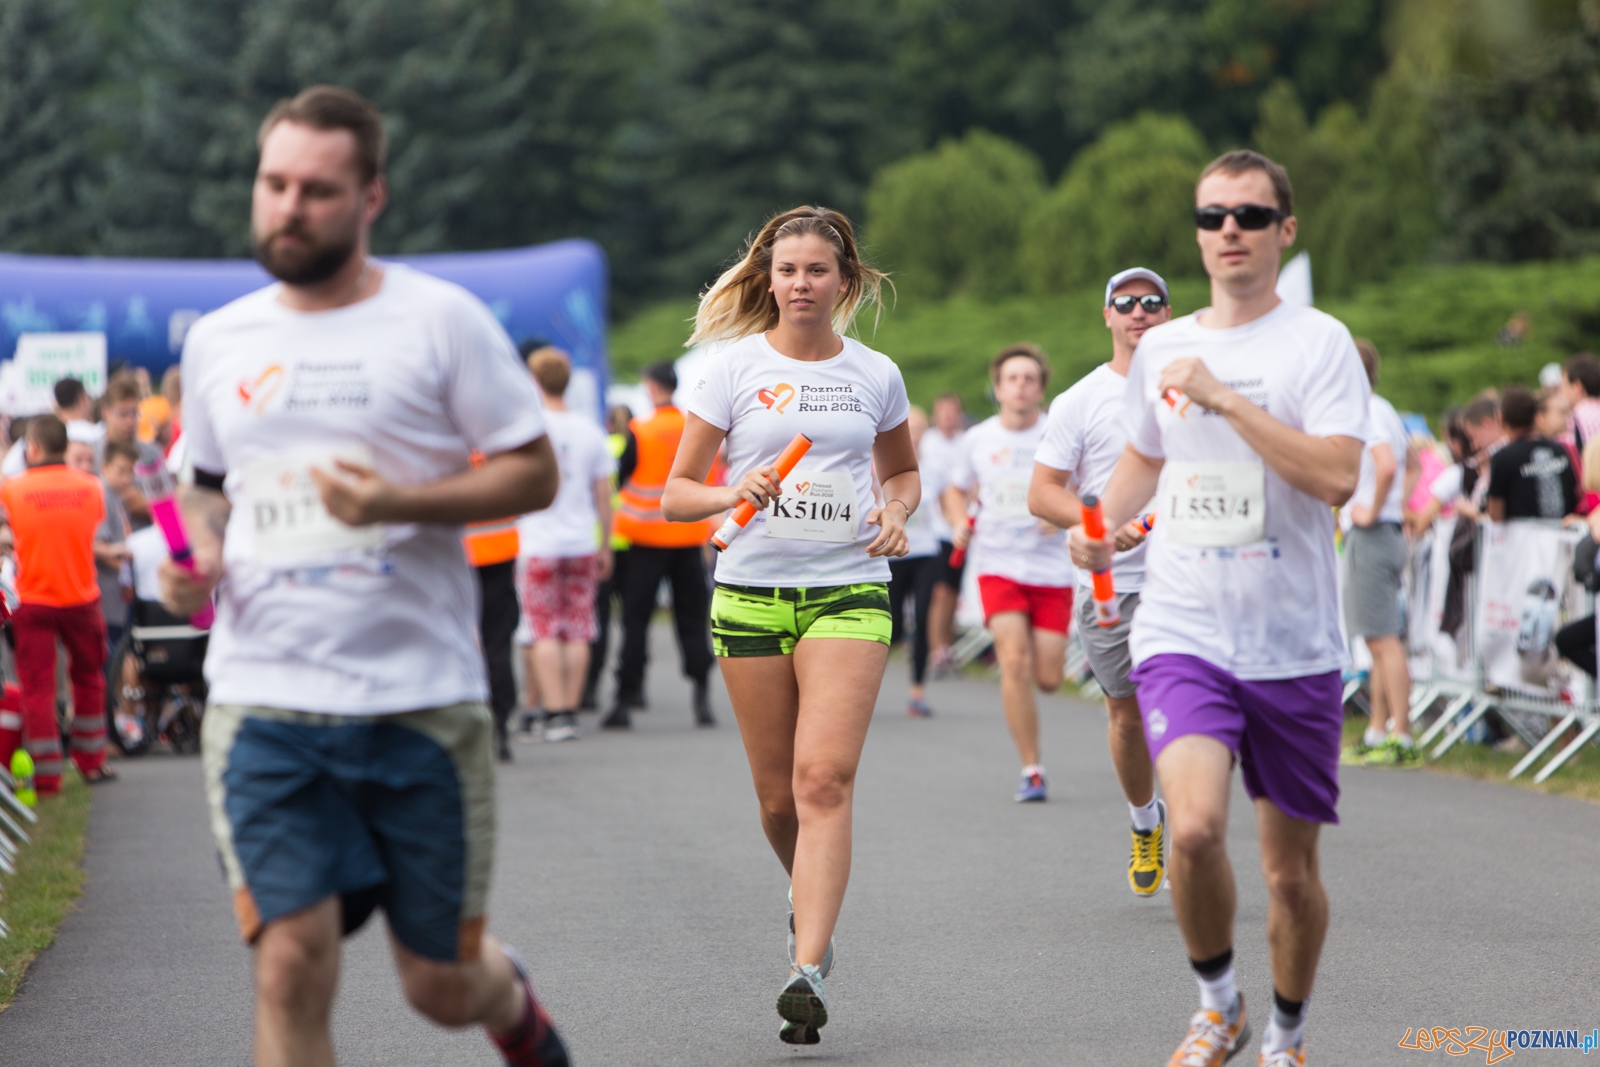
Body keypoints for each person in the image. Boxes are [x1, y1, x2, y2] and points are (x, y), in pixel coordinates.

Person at [156, 86, 567, 1067]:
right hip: (266, 703)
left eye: (317, 189)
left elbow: (532, 468)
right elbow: (195, 486)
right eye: (274, 183)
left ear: (370, 197)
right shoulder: (220, 338)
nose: (288, 206)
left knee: (439, 983)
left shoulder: (441, 321)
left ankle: (515, 1009)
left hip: (420, 702)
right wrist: (191, 556)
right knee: (290, 961)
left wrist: (394, 501)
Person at [1072, 150, 1369, 1067]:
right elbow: (1143, 458)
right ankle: (1216, 1004)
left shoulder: (1317, 342)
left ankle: (1287, 1032)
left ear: (1285, 229)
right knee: (1194, 828)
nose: (1228, 230)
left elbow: (1336, 476)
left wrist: (1225, 399)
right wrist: (1102, 525)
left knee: (1290, 874)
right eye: (1211, 217)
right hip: (1184, 623)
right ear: (1198, 233)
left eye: (1248, 214)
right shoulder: (1160, 347)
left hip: (1292, 639)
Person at [660, 205, 916, 1046]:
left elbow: (903, 471)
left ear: (844, 279)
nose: (801, 284)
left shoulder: (875, 373)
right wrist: (735, 490)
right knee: (778, 800)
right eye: (788, 270)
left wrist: (896, 509)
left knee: (823, 780)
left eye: (817, 270)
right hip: (752, 592)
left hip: (848, 588)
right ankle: (810, 902)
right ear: (767, 279)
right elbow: (676, 495)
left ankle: (806, 968)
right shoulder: (729, 369)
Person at [1030, 265, 1172, 893]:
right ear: (1108, 315)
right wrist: (1092, 527)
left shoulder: (1193, 387)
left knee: (1199, 709)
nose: (1138, 310)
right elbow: (1043, 493)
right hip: (1112, 584)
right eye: (1126, 302)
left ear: (1169, 314)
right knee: (1127, 713)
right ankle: (1147, 822)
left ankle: (1195, 827)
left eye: (1151, 301)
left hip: (1189, 580)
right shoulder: (1081, 400)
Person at [943, 344, 1073, 803]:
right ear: (997, 388)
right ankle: (1031, 768)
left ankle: (1033, 756)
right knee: (1012, 662)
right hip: (998, 564)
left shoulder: (1057, 435)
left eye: (1030, 379)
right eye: (1012, 378)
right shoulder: (978, 439)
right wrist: (959, 522)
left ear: (1041, 388)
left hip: (1052, 569)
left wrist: (1060, 515)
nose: (1021, 386)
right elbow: (955, 492)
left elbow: (1080, 490)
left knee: (1050, 677)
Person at [0, 415, 114, 795]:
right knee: (89, 679)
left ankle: (47, 776)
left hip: (33, 599)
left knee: (37, 688)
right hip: (82, 597)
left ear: (32, 447)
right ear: (64, 446)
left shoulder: (12, 490)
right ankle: (91, 761)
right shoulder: (91, 487)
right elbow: (92, 530)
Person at [605, 361, 717, 729]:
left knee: (636, 620)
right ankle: (702, 697)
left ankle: (625, 699)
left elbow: (620, 480)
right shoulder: (692, 426)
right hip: (687, 538)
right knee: (692, 620)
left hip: (644, 541)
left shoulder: (640, 429)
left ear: (651, 387)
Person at [515, 347, 615, 743]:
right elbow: (603, 497)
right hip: (579, 541)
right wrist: (604, 545)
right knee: (577, 628)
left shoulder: (530, 427)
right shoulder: (590, 430)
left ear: (534, 380)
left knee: (542, 629)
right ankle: (570, 711)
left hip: (538, 540)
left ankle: (552, 711)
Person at [1340, 340, 1419, 769]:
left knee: (1383, 640)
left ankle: (1401, 734)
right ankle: (1378, 728)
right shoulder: (1384, 408)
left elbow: (1387, 464)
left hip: (1371, 534)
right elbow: (1415, 463)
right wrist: (1396, 506)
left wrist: (1373, 508)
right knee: (1377, 637)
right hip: (1386, 531)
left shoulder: (1364, 411)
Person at [887, 406, 941, 717]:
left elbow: (950, 503)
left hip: (925, 552)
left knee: (922, 620)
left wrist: (960, 524)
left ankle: (917, 692)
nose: (913, 435)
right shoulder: (877, 464)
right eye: (907, 428)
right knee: (892, 628)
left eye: (918, 429)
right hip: (892, 552)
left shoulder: (934, 468)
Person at [580, 404, 633, 710]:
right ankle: (628, 686)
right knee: (631, 620)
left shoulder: (601, 445)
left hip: (601, 538)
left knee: (597, 619)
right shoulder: (630, 445)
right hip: (633, 539)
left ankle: (590, 688)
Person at [919, 393, 966, 674]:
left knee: (951, 591)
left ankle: (945, 644)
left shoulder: (966, 443)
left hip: (958, 531)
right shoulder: (927, 444)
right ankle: (935, 648)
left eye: (953, 412)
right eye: (943, 412)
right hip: (932, 529)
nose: (948, 417)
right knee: (937, 592)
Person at [1487, 384, 1578, 522]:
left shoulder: (1503, 458)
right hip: (1563, 536)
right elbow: (1574, 493)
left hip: (1523, 541)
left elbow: (1496, 515)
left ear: (1501, 418)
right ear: (1535, 416)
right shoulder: (1559, 449)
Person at [99, 374, 167, 529]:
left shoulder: (152, 453)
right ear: (106, 412)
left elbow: (168, 508)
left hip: (145, 541)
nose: (130, 421)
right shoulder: (91, 453)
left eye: (135, 414)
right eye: (123, 414)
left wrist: (145, 505)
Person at [3, 378, 96, 480]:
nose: (86, 467)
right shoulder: (97, 434)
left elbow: (7, 473)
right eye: (79, 460)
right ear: (82, 399)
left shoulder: (37, 434)